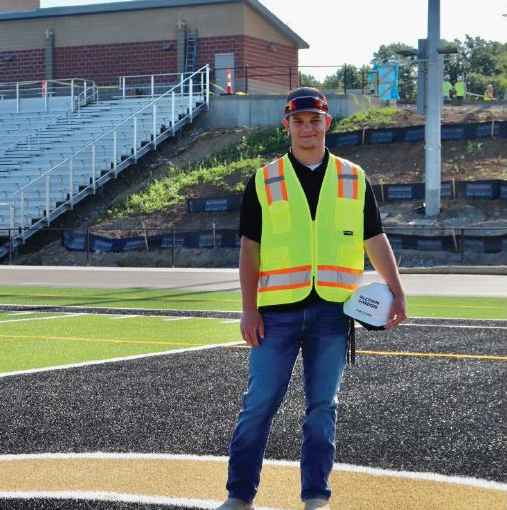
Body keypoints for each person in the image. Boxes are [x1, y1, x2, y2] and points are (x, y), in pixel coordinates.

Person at [216, 87, 407, 510]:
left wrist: (397, 289)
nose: (307, 128)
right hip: (275, 314)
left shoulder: (353, 177)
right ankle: (239, 495)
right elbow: (250, 248)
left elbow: (373, 237)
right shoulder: (264, 180)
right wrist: (248, 309)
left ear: (327, 123)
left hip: (333, 315)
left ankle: (315, 497)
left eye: (314, 120)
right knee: (259, 405)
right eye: (298, 121)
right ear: (287, 125)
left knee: (323, 407)